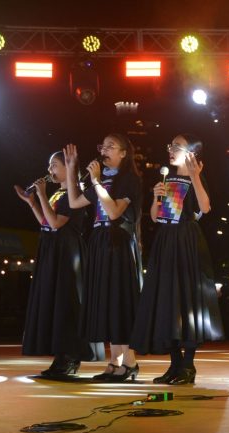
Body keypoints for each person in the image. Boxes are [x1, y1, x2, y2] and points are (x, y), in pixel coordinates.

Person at [130, 134, 224, 385]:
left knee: (187, 302)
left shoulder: (195, 176)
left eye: (176, 147)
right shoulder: (164, 178)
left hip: (187, 241)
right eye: (169, 146)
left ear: (190, 151)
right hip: (165, 241)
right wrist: (155, 197)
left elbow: (205, 207)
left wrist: (194, 176)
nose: (170, 150)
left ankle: (188, 366)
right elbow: (154, 217)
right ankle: (174, 365)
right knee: (166, 301)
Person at [64, 134, 143, 382]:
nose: (104, 149)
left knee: (119, 300)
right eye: (102, 145)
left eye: (110, 146)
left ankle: (129, 362)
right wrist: (71, 169)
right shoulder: (102, 178)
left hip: (118, 242)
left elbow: (113, 211)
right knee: (106, 300)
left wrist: (97, 181)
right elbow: (74, 201)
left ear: (123, 153)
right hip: (99, 241)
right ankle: (115, 361)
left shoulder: (129, 179)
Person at [14, 150, 92, 377]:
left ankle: (69, 357)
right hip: (52, 249)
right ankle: (61, 357)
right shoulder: (59, 193)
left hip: (67, 252)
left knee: (66, 304)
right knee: (54, 302)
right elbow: (46, 222)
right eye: (49, 166)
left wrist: (40, 195)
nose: (50, 170)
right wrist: (32, 202)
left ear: (68, 167)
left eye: (54, 165)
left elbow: (57, 223)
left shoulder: (74, 193)